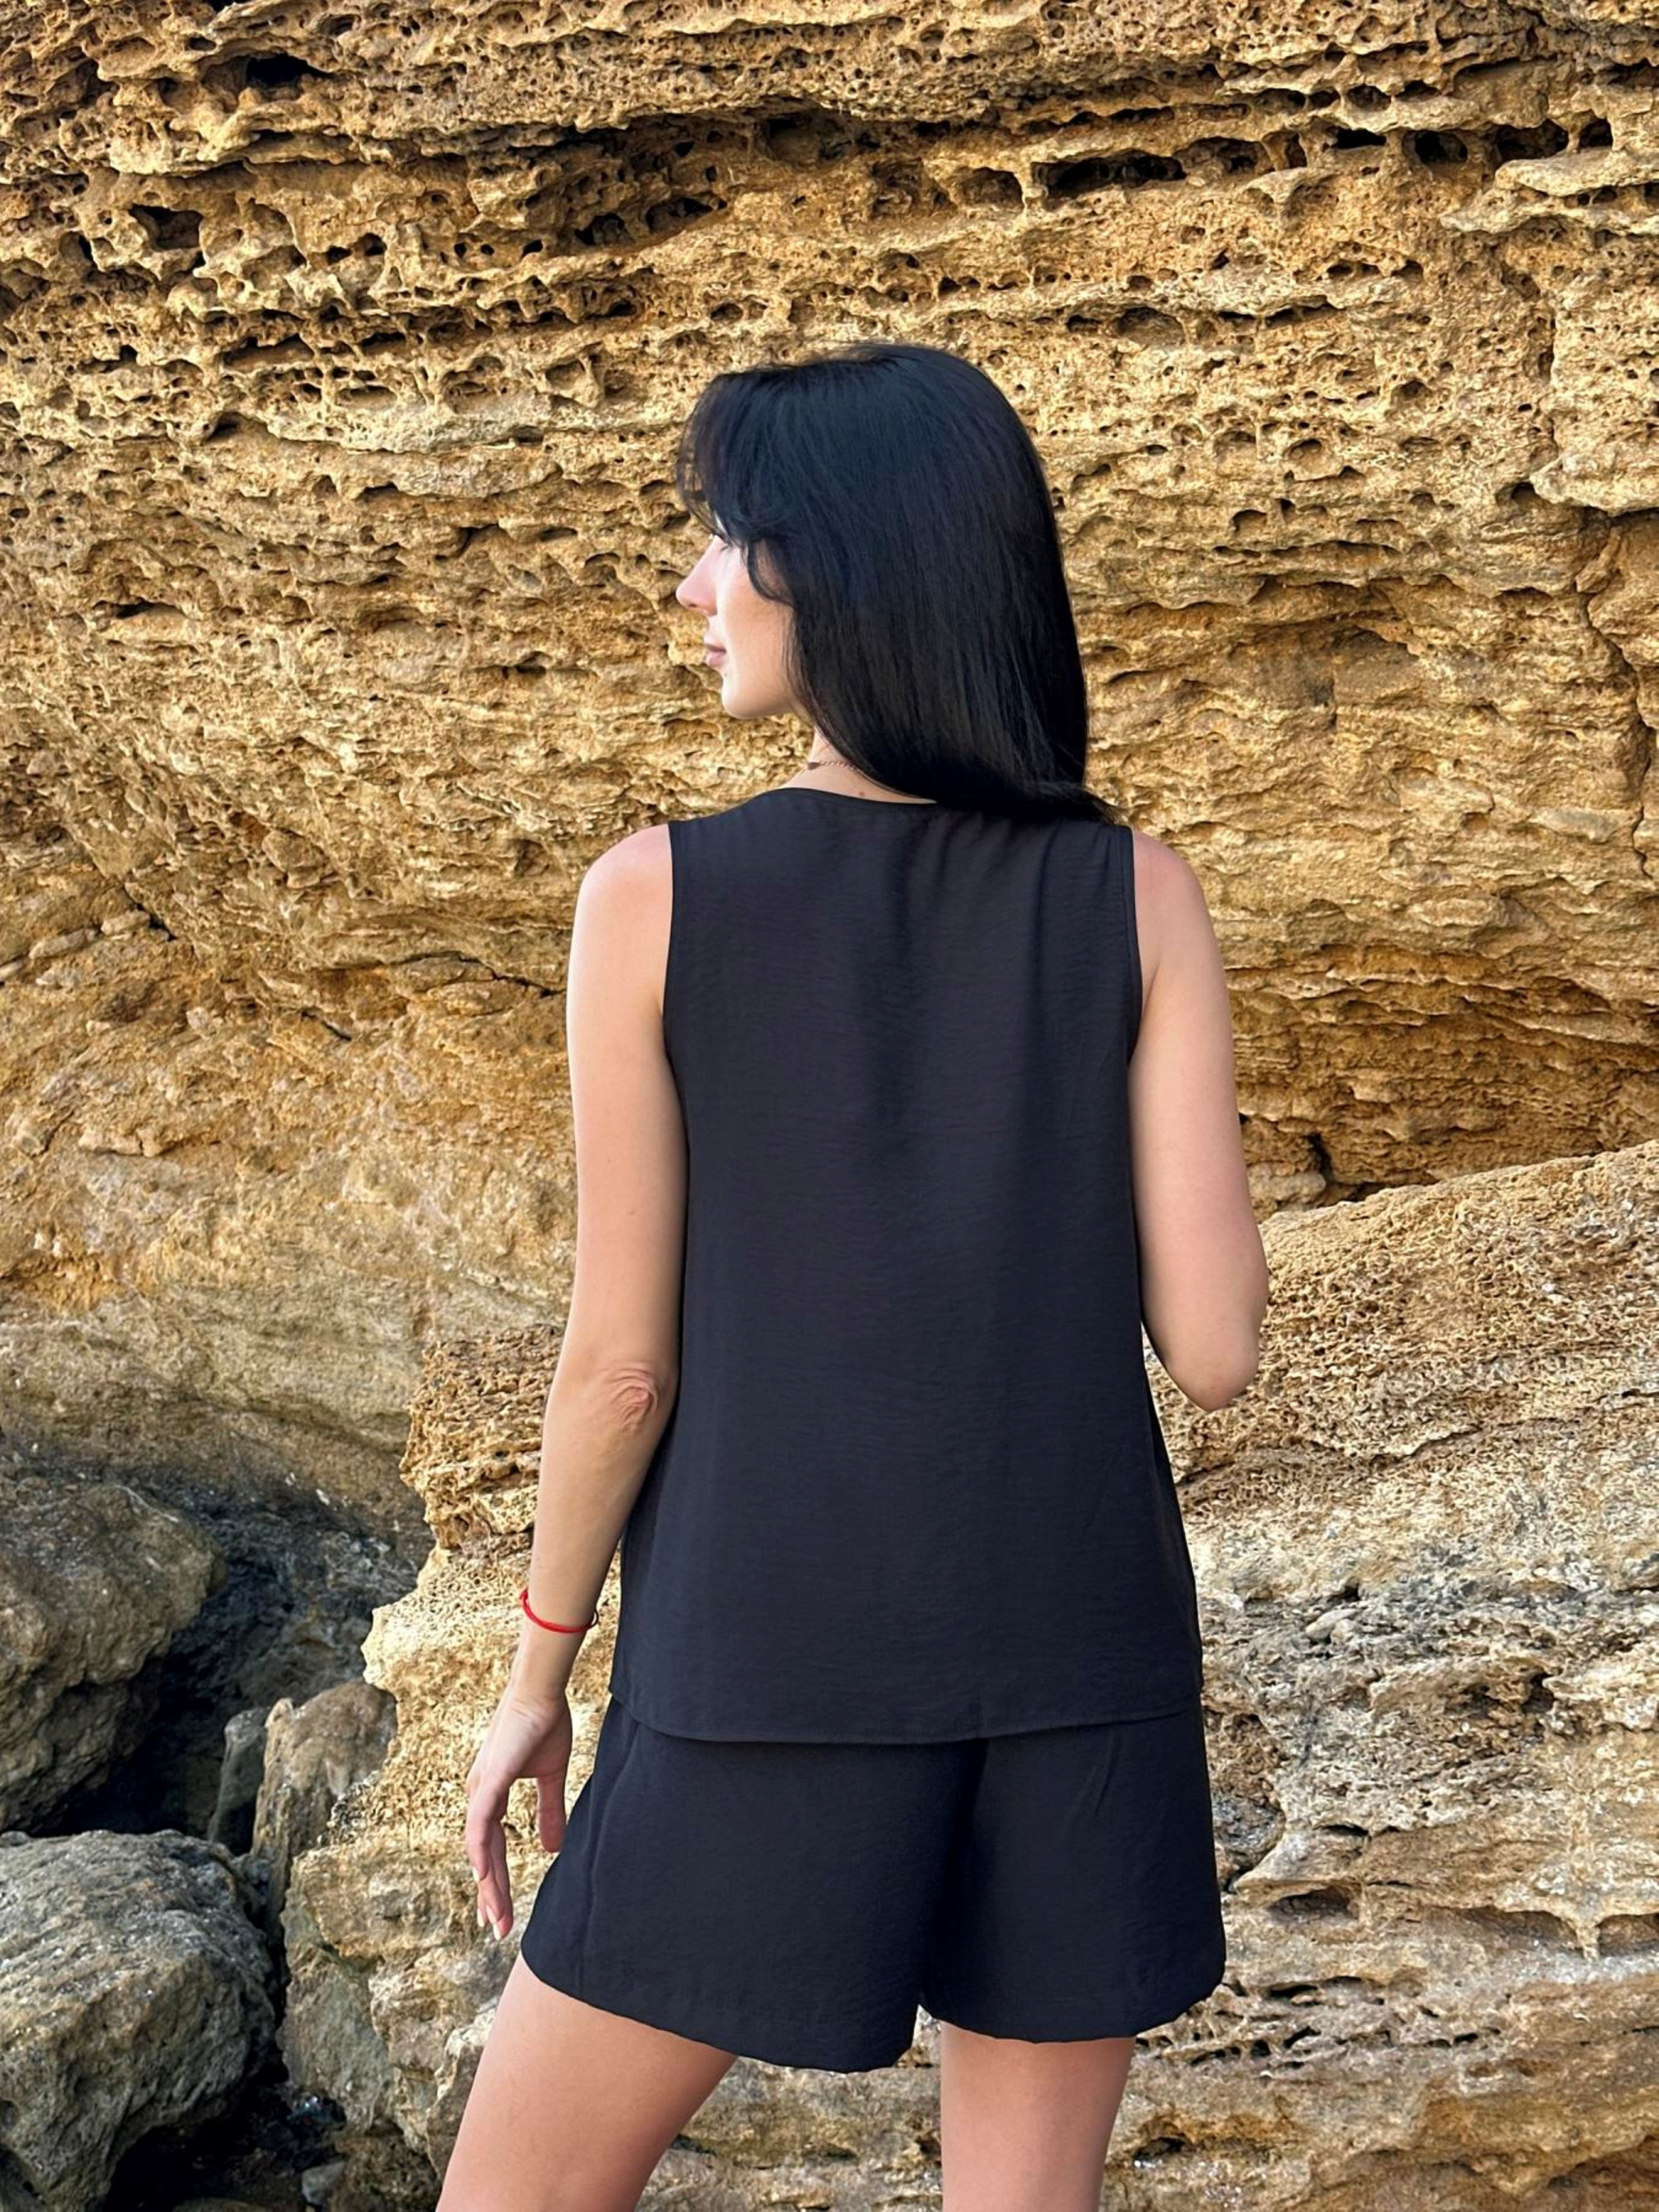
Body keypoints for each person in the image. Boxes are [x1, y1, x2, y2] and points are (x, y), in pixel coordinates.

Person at [438, 340, 1268, 2212]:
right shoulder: (1135, 893)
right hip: (1078, 1671)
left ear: (848, 566)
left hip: (763, 1672)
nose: (693, 586)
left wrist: (537, 1670)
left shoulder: (652, 898)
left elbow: (621, 1367)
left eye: (727, 538)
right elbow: (1214, 1345)